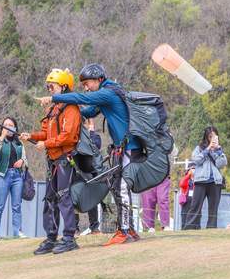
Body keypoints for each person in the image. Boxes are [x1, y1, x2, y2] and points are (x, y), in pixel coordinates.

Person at [38, 63, 141, 246]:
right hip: (121, 147)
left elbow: (80, 99)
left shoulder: (108, 92)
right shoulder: (108, 94)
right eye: (83, 84)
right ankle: (129, 228)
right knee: (118, 188)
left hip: (129, 148)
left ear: (99, 79)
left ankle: (125, 231)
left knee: (122, 188)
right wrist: (67, 113)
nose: (85, 87)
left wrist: (55, 98)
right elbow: (88, 111)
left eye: (87, 83)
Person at [21, 69, 82, 255]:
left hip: (65, 160)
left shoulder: (71, 108)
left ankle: (69, 237)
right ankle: (51, 237)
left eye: (52, 86)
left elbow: (67, 136)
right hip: (53, 161)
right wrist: (31, 136)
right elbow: (47, 133)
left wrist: (45, 143)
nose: (49, 90)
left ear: (63, 87)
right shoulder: (54, 109)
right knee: (50, 199)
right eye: (48, 86)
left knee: (64, 197)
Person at [0, 117, 28, 241]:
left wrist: (22, 161)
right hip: (2, 175)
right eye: (5, 125)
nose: (8, 127)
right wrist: (2, 137)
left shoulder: (19, 143)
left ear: (15, 127)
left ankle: (18, 232)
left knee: (16, 206)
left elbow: (25, 160)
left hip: (17, 176)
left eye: (10, 125)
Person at [184, 127, 227, 229]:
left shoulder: (218, 150)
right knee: (195, 206)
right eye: (210, 136)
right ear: (206, 137)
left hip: (215, 181)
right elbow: (196, 160)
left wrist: (218, 151)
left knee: (213, 208)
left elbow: (222, 164)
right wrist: (207, 149)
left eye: (214, 136)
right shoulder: (199, 148)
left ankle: (211, 228)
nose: (212, 138)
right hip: (201, 181)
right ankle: (191, 227)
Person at [141, 144, 177, 232]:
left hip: (163, 174)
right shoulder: (145, 135)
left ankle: (165, 225)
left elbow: (174, 152)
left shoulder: (166, 135)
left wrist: (168, 168)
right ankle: (149, 226)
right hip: (148, 174)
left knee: (163, 198)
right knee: (148, 200)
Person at [77, 118, 102, 236]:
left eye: (85, 123)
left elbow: (96, 145)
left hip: (89, 172)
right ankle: (73, 228)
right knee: (73, 198)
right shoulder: (74, 135)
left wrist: (91, 129)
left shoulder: (94, 136)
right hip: (75, 170)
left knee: (92, 200)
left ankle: (94, 227)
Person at [179, 163, 196, 230]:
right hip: (186, 201)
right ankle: (184, 229)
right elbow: (181, 184)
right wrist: (189, 175)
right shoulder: (186, 178)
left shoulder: (198, 179)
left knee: (194, 215)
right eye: (192, 169)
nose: (193, 170)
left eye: (195, 169)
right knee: (185, 216)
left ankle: (195, 228)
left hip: (195, 200)